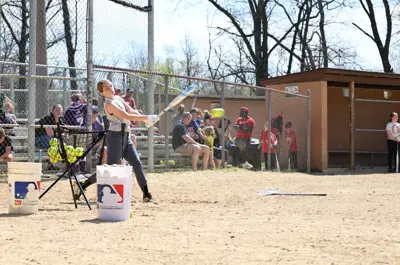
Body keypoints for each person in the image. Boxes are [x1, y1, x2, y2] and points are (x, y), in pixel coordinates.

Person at [74, 79, 156, 202]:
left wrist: (146, 119)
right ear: (102, 93)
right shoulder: (109, 104)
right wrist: (147, 118)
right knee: (111, 169)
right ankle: (82, 185)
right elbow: (127, 116)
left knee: (137, 163)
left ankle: (146, 193)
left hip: (126, 136)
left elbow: (131, 111)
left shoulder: (118, 98)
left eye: (111, 86)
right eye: (107, 88)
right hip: (115, 137)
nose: (111, 89)